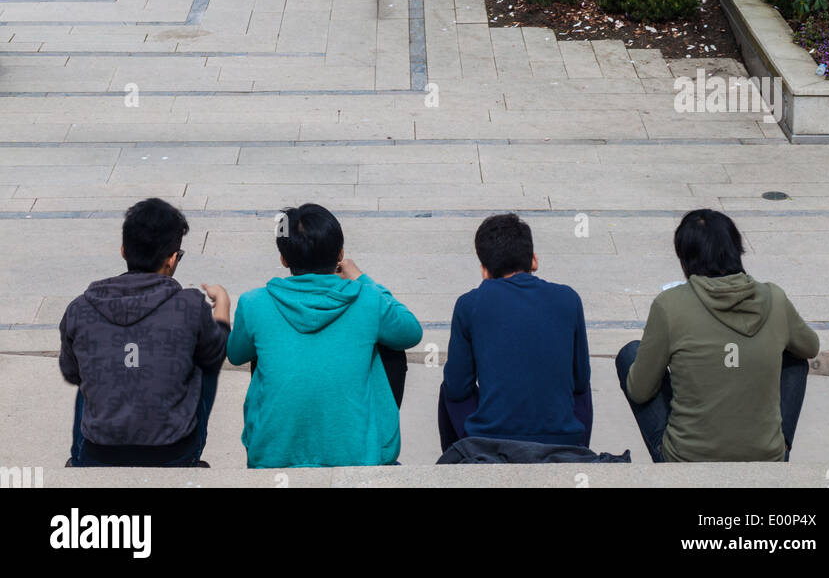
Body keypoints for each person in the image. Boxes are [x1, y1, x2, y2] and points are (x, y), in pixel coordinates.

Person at [615, 208, 820, 464]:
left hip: (686, 459)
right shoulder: (774, 299)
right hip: (767, 456)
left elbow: (640, 391)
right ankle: (779, 447)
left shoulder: (669, 305)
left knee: (631, 354)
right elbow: (811, 347)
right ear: (737, 251)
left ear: (684, 261)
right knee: (794, 356)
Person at [227, 204, 422, 468]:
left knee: (259, 351)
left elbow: (236, 354)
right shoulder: (366, 299)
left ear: (284, 259)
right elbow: (410, 332)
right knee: (388, 344)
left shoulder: (254, 303)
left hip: (272, 457)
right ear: (340, 254)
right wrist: (363, 279)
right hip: (360, 457)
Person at [59, 197, 230, 468]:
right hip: (172, 451)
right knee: (205, 359)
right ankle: (191, 458)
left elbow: (71, 373)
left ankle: (79, 460)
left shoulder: (80, 308)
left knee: (91, 375)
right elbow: (215, 353)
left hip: (99, 451)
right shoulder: (189, 305)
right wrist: (222, 308)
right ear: (172, 259)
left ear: (124, 250)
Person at [439, 213, 592, 452]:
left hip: (491, 441)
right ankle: (578, 451)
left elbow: (458, 387)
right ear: (534, 261)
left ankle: (462, 458)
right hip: (562, 439)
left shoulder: (470, 304)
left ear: (485, 270)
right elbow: (580, 379)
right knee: (581, 386)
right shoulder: (568, 298)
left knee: (449, 387)